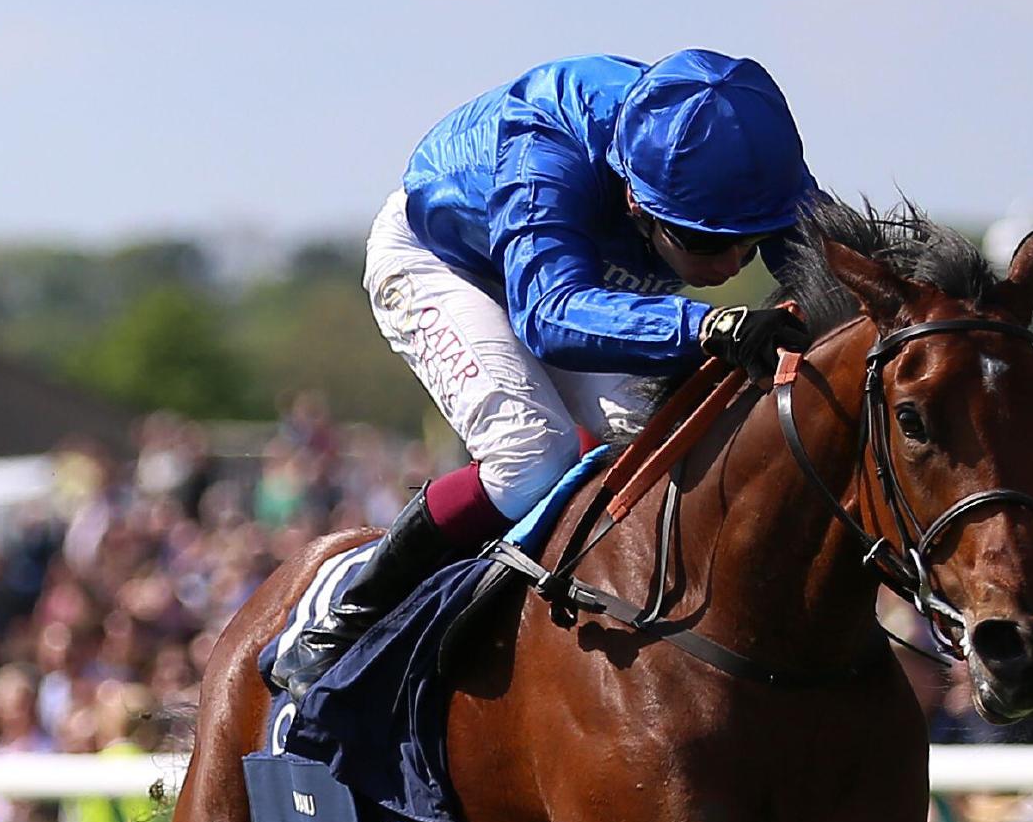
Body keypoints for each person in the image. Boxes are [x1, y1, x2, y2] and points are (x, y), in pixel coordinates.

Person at [274, 49, 818, 700]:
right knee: (533, 454)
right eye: (704, 241)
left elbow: (840, 267)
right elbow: (548, 314)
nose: (730, 264)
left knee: (680, 430)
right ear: (636, 197)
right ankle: (351, 617)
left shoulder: (743, 154)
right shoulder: (547, 148)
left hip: (576, 279)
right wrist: (705, 326)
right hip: (451, 265)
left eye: (750, 241)